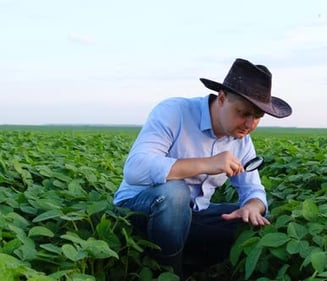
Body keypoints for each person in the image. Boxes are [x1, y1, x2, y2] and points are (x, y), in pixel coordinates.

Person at [113, 58, 292, 278]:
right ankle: (171, 273)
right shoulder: (174, 112)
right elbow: (135, 169)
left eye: (257, 117)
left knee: (252, 224)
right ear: (222, 98)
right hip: (139, 207)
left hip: (193, 215)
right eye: (244, 113)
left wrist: (253, 207)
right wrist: (207, 163)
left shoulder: (242, 141)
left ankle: (188, 260)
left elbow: (253, 189)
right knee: (175, 192)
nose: (249, 124)